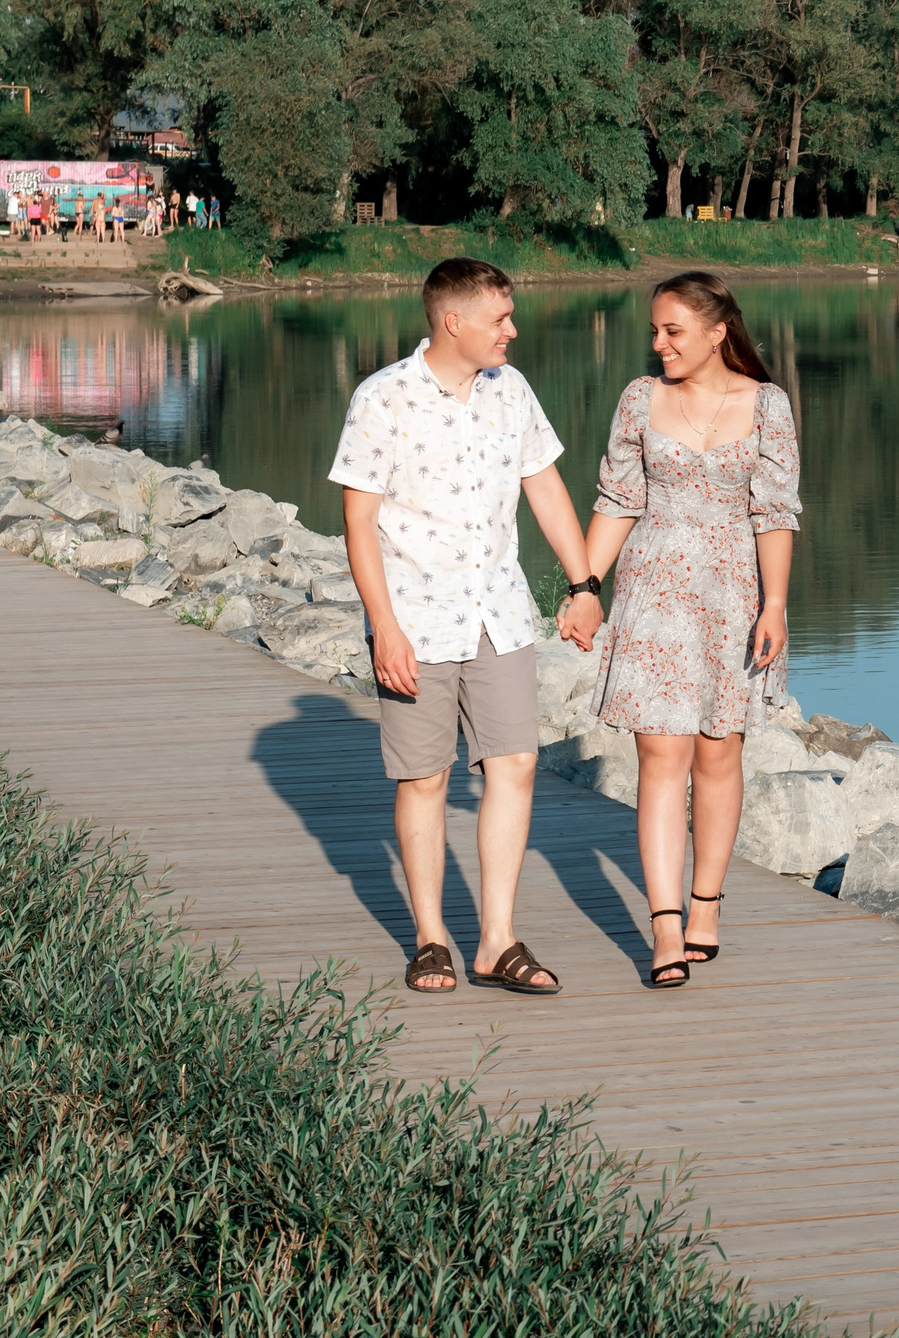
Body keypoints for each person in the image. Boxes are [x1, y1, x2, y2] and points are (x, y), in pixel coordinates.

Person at [332, 257, 600, 997]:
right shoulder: (381, 398)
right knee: (425, 777)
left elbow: (544, 485)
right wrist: (384, 627)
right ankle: (429, 938)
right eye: (501, 317)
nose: (513, 329)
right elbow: (358, 523)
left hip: (499, 614)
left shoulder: (511, 391)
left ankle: (497, 939)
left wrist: (582, 582)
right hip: (415, 619)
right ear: (455, 321)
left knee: (512, 766)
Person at [560, 271, 798, 990]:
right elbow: (618, 499)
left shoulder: (768, 404)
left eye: (673, 331)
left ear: (718, 331)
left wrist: (776, 602)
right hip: (656, 591)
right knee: (661, 755)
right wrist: (584, 586)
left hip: (733, 595)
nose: (658, 343)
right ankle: (664, 928)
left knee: (719, 754)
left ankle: (705, 905)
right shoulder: (641, 398)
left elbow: (775, 510)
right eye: (655, 330)